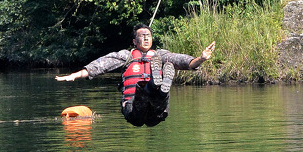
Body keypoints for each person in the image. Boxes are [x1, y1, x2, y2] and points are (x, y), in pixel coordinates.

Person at [56, 24, 216, 127]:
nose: (146, 38)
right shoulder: (125, 56)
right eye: (142, 36)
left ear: (152, 39)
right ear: (134, 41)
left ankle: (158, 84)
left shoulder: (161, 55)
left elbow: (185, 62)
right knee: (142, 92)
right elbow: (99, 66)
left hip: (157, 112)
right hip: (133, 110)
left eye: (149, 36)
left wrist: (201, 58)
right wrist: (74, 76)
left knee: (160, 93)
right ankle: (153, 85)